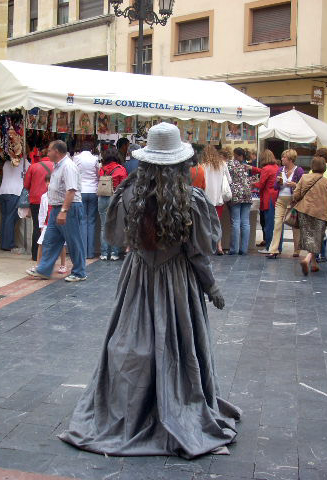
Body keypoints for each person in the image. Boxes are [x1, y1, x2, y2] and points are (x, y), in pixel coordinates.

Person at [58, 122, 240, 458]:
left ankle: (136, 405)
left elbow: (115, 238)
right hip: (177, 282)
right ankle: (176, 401)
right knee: (178, 341)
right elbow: (198, 252)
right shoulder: (191, 199)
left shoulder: (128, 193)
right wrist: (210, 286)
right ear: (179, 163)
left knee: (131, 342)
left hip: (139, 277)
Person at [26, 140, 87, 282]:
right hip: (56, 208)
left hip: (68, 208)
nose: (47, 153)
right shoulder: (58, 166)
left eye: (49, 150)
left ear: (57, 152)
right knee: (50, 240)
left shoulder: (68, 166)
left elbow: (71, 190)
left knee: (73, 240)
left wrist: (64, 210)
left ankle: (79, 272)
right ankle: (44, 269)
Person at [292, 155, 327, 275]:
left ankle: (314, 264)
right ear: (324, 168)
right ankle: (307, 260)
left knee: (308, 237)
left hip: (304, 211)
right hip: (320, 214)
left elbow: (295, 195)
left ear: (312, 166)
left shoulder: (304, 177)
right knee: (317, 238)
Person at [266, 149, 304, 259]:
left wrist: (294, 185)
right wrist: (278, 183)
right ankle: (273, 250)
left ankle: (297, 249)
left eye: (284, 157)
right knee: (277, 223)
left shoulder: (299, 170)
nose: (282, 159)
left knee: (294, 224)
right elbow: (275, 187)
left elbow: (303, 187)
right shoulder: (280, 169)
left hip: (293, 200)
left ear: (291, 159)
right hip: (281, 200)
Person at [98, 148, 128, 260]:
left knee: (103, 226)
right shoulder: (120, 169)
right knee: (115, 225)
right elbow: (124, 185)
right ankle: (115, 254)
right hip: (114, 198)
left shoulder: (102, 169)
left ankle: (104, 253)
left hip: (101, 198)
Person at [200, 144, 230, 255]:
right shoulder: (222, 164)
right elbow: (229, 180)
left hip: (206, 198)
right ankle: (219, 246)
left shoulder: (203, 166)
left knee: (206, 223)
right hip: (219, 198)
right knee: (217, 223)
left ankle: (207, 246)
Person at [24, 153, 54, 261]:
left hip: (36, 200)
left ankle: (35, 255)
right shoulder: (55, 165)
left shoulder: (33, 167)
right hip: (52, 199)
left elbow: (26, 185)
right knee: (51, 227)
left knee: (37, 226)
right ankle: (49, 255)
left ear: (41, 157)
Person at [37, 173, 68, 274]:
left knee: (62, 244)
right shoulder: (44, 196)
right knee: (41, 243)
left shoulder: (61, 195)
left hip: (58, 222)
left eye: (50, 182)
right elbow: (42, 211)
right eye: (46, 182)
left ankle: (63, 264)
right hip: (47, 223)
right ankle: (39, 265)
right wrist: (41, 225)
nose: (48, 184)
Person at [74, 142, 99, 259]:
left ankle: (83, 252)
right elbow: (98, 175)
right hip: (93, 191)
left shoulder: (76, 158)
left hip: (81, 191)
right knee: (92, 221)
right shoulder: (95, 159)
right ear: (91, 149)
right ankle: (91, 252)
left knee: (82, 221)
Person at [226, 147, 253, 255]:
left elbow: (227, 178)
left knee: (236, 222)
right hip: (247, 193)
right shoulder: (247, 165)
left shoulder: (230, 164)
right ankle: (244, 249)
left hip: (236, 194)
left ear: (235, 154)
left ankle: (234, 249)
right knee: (245, 222)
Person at [253, 149, 279, 253]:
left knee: (268, 225)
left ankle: (268, 247)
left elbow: (261, 184)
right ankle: (277, 247)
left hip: (268, 198)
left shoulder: (266, 168)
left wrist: (252, 184)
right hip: (276, 197)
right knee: (275, 224)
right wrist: (253, 168)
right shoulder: (276, 167)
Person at [0, 155, 24, 252]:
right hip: (14, 192)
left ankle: (4, 243)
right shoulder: (24, 162)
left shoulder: (6, 162)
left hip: (3, 192)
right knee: (10, 218)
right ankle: (8, 244)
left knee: (5, 218)